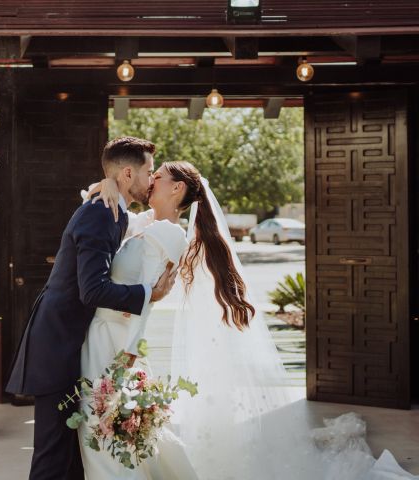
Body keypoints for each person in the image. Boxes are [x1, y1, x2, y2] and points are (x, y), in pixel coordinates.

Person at [82, 161, 419, 480]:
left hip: (122, 339)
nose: (151, 180)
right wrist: (110, 182)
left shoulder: (169, 234)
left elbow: (148, 290)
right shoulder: (147, 224)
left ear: (177, 189)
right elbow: (114, 220)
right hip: (113, 337)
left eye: (158, 177)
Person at [5, 136, 178, 480]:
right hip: (57, 344)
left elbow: (128, 221)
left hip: (70, 344)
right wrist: (149, 294)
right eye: (148, 171)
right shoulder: (101, 213)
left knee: (70, 457)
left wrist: (105, 184)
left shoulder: (111, 209)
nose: (152, 179)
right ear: (129, 174)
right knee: (52, 455)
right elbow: (93, 289)